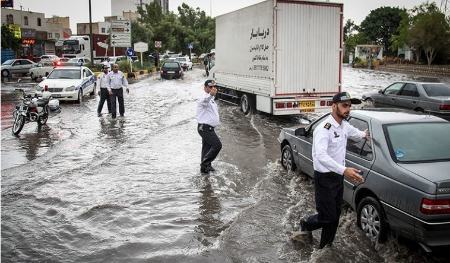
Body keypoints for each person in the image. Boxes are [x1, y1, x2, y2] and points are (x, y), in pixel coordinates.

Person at [291, 91, 370, 249]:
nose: (348, 109)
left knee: (335, 216)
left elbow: (356, 133)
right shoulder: (323, 129)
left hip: (338, 177)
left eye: (349, 106)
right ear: (334, 106)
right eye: (344, 105)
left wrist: (366, 135)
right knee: (327, 216)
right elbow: (321, 156)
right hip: (325, 178)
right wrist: (344, 170)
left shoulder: (344, 125)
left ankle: (326, 248)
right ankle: (306, 223)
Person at [196, 80, 222, 174]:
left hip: (208, 128)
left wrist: (211, 96)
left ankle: (205, 169)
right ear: (205, 87)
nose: (213, 88)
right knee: (217, 145)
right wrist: (210, 95)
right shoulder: (203, 97)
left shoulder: (211, 99)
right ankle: (205, 164)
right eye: (210, 87)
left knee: (206, 148)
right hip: (204, 128)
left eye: (214, 87)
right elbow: (204, 101)